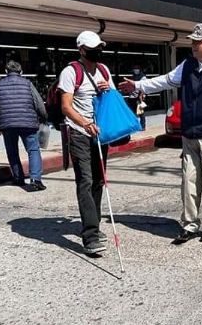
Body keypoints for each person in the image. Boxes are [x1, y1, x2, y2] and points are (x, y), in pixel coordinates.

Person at [119, 23, 202, 244]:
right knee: (189, 183)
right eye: (193, 41)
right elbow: (166, 81)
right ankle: (189, 225)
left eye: (198, 41)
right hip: (190, 137)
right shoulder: (187, 65)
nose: (194, 45)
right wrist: (139, 86)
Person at [59, 31, 115, 255]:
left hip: (99, 132)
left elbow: (110, 96)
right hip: (79, 132)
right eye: (93, 48)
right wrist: (84, 123)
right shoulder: (70, 72)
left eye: (99, 47)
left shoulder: (103, 70)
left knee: (98, 181)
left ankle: (95, 224)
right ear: (81, 49)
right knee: (85, 181)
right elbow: (66, 106)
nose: (97, 51)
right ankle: (90, 235)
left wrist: (106, 90)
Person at [0, 60, 48, 191]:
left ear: (6, 71)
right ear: (21, 72)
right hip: (28, 123)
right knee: (33, 150)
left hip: (7, 124)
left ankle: (18, 178)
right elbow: (39, 103)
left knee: (12, 152)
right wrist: (44, 117)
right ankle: (35, 179)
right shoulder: (28, 84)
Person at [127, 65, 147, 130]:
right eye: (134, 69)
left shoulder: (142, 77)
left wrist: (142, 95)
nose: (136, 70)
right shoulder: (132, 76)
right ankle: (133, 126)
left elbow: (144, 87)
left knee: (141, 112)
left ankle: (143, 126)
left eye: (137, 69)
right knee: (130, 112)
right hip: (131, 97)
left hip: (138, 97)